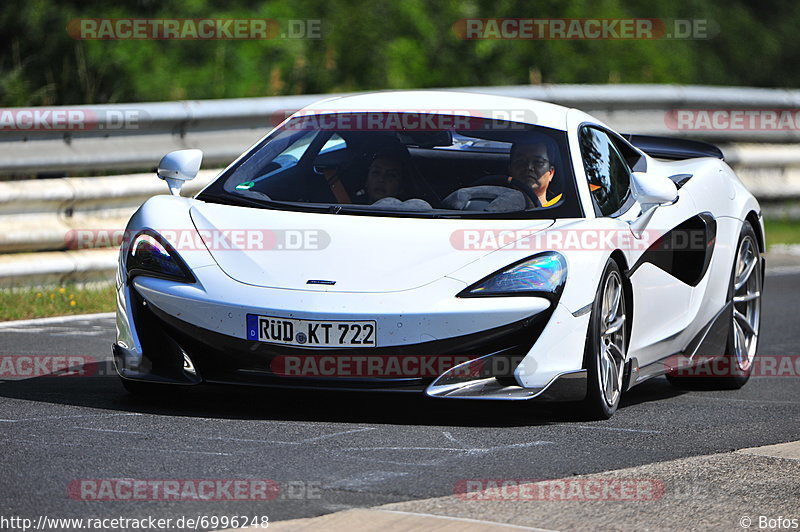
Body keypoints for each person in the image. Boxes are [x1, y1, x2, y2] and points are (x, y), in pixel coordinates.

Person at [507, 141, 562, 208]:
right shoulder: (496, 208)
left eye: (538, 162)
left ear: (551, 173)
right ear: (510, 169)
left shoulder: (558, 211)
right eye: (521, 161)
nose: (529, 167)